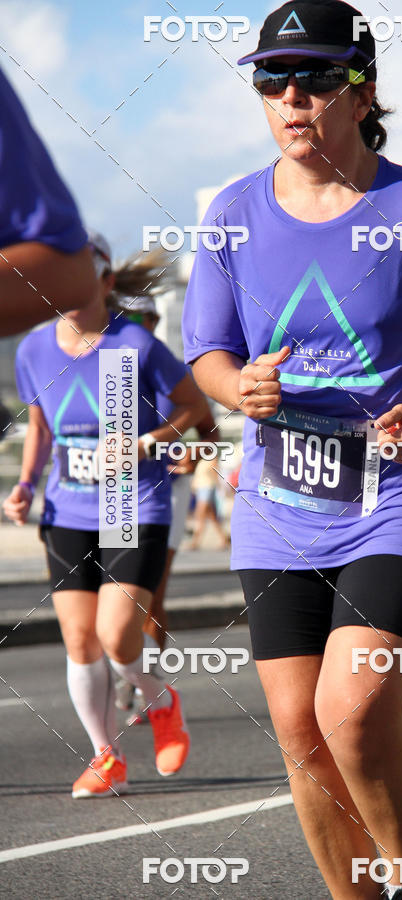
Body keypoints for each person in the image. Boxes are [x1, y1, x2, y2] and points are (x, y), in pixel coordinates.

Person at [182, 2, 402, 897]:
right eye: (273, 78)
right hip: (280, 502)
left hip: (401, 494)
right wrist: (238, 389)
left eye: (315, 75)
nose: (291, 95)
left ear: (362, 89)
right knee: (301, 732)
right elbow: (208, 354)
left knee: (351, 707)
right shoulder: (232, 214)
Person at [3, 233, 207, 798]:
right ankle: (105, 755)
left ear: (105, 282)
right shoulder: (33, 350)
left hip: (130, 502)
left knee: (117, 636)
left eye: (77, 278)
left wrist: (149, 441)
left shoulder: (133, 345)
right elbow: (40, 426)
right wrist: (24, 486)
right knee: (79, 640)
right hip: (66, 508)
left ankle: (161, 701)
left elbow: (194, 405)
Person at [115, 294, 217, 725]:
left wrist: (193, 457)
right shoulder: (105, 368)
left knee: (151, 595)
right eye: (124, 316)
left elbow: (210, 432)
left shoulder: (173, 370)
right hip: (116, 492)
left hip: (167, 492)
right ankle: (129, 670)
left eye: (142, 317)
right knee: (114, 595)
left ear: (155, 320)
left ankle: (146, 684)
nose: (133, 324)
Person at [0, 66, 96, 336]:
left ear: (110, 280)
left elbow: (67, 270)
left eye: (99, 258)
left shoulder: (127, 344)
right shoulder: (35, 349)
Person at [188, 455, 231, 550]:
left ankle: (195, 542)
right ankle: (224, 539)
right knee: (212, 517)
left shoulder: (211, 459)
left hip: (207, 488)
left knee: (199, 515)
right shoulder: (202, 459)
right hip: (201, 489)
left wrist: (220, 487)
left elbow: (215, 473)